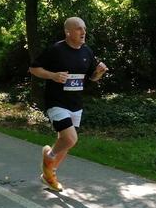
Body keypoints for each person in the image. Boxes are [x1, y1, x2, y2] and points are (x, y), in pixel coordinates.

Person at [29, 16, 108, 191]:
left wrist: (99, 73)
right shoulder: (56, 50)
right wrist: (53, 75)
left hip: (76, 103)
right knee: (71, 139)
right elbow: (34, 68)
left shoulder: (87, 51)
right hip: (56, 101)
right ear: (68, 32)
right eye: (79, 28)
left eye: (84, 29)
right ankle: (49, 157)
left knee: (66, 142)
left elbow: (90, 79)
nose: (83, 32)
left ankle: (49, 175)